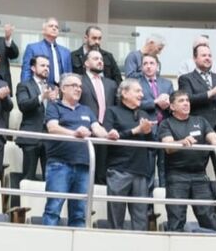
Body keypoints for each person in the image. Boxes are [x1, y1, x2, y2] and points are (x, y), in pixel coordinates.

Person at [158, 90, 216, 232]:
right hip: (177, 177)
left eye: (187, 100)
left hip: (200, 176)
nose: (186, 103)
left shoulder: (200, 121)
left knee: (209, 218)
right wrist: (182, 142)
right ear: (172, 107)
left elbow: (214, 139)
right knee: (176, 219)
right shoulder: (166, 124)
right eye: (181, 101)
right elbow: (168, 147)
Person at [43, 73, 113, 227]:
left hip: (84, 165)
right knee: (53, 208)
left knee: (79, 212)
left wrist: (108, 135)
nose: (78, 89)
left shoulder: (86, 110)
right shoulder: (54, 107)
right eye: (74, 85)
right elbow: (52, 127)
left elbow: (96, 128)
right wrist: (74, 133)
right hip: (60, 164)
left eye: (80, 86)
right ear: (63, 88)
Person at [177, 44, 216, 190]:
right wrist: (212, 92)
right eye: (203, 55)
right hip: (199, 130)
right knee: (197, 170)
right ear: (194, 58)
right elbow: (188, 99)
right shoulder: (186, 78)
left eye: (209, 55)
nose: (208, 58)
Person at [104, 79, 154, 230]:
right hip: (119, 170)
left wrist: (148, 132)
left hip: (141, 172)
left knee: (141, 220)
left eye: (141, 91)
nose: (142, 94)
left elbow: (152, 145)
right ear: (124, 93)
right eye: (137, 91)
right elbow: (109, 136)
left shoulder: (144, 114)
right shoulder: (112, 111)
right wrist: (135, 131)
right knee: (115, 218)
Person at [80, 48, 119, 184]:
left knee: (102, 172)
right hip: (85, 131)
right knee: (85, 171)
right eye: (96, 59)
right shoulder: (78, 81)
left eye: (101, 59)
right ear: (86, 63)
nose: (100, 62)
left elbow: (115, 107)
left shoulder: (111, 84)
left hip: (105, 131)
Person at [16, 55, 56, 180]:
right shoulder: (24, 85)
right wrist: (41, 97)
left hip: (50, 138)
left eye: (48, 66)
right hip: (31, 136)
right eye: (43, 65)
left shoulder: (53, 87)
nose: (46, 69)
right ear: (33, 68)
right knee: (28, 176)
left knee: (50, 178)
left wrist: (57, 101)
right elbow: (23, 105)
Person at [137, 54, 173, 189]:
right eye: (145, 63)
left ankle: (163, 203)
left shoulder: (167, 83)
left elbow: (174, 104)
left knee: (165, 167)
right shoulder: (137, 83)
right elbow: (135, 103)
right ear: (141, 67)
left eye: (151, 63)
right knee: (148, 167)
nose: (148, 66)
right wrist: (155, 102)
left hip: (165, 129)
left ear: (157, 66)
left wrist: (168, 103)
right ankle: (148, 206)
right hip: (147, 129)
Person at [19, 17, 72, 87]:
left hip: (61, 91)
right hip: (40, 90)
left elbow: (69, 75)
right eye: (51, 26)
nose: (54, 28)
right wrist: (26, 90)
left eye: (56, 27)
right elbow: (26, 72)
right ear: (43, 30)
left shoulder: (66, 52)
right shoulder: (33, 48)